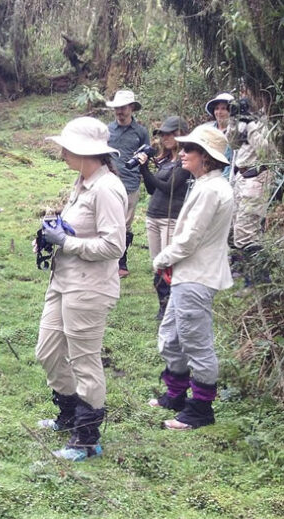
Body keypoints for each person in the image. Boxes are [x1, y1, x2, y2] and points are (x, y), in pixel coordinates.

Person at [35, 117, 127, 461]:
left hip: (89, 288)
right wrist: (50, 237)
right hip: (63, 280)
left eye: (66, 147)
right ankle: (68, 414)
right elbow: (77, 230)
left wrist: (68, 243)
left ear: (85, 152)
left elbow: (113, 246)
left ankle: (86, 440)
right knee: (48, 351)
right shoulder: (83, 181)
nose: (61, 152)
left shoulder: (107, 188)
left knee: (85, 362)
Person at [149, 125, 235, 429]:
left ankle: (200, 409)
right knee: (171, 337)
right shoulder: (204, 184)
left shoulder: (212, 189)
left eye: (189, 150)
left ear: (206, 158)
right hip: (189, 273)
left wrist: (161, 259)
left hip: (197, 275)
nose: (182, 154)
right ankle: (175, 393)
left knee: (196, 342)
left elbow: (189, 240)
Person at [133, 116, 192, 320]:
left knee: (169, 264)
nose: (166, 137)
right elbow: (151, 189)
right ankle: (163, 307)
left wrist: (148, 169)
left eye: (171, 133)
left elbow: (169, 187)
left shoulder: (186, 160)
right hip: (153, 216)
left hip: (171, 217)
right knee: (157, 264)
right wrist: (143, 167)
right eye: (163, 134)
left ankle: (172, 307)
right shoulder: (165, 160)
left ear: (181, 134)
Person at [226, 96, 275, 284]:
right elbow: (233, 144)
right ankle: (251, 277)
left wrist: (252, 125)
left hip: (257, 176)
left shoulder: (267, 121)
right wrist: (234, 120)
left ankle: (257, 281)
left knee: (247, 230)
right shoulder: (243, 120)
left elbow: (266, 151)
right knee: (237, 228)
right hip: (240, 176)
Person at [105, 90, 149, 278]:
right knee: (107, 221)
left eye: (122, 108)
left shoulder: (141, 132)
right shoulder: (108, 130)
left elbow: (146, 156)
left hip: (130, 184)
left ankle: (121, 262)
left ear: (131, 108)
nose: (119, 112)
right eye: (116, 108)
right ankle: (106, 260)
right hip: (108, 183)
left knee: (124, 225)